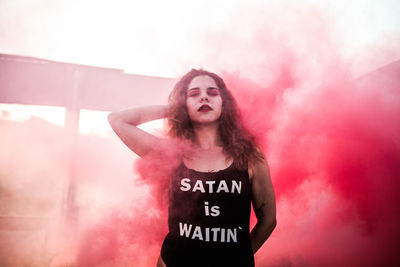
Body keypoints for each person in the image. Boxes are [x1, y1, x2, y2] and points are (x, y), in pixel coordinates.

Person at [108, 69, 276, 267]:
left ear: (225, 103)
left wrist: (238, 257)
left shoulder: (248, 155)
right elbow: (117, 119)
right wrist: (175, 109)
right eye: (194, 94)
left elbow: (268, 220)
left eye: (212, 93)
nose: (204, 96)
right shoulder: (171, 152)